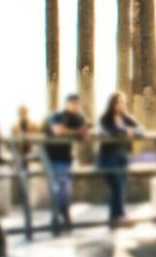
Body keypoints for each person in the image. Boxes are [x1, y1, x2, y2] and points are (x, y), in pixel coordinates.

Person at [44, 94, 90, 235]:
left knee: (64, 190)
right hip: (51, 157)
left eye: (76, 103)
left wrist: (81, 133)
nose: (74, 106)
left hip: (66, 158)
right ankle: (60, 220)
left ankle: (60, 219)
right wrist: (76, 132)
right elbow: (57, 131)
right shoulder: (58, 116)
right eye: (72, 103)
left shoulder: (79, 118)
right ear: (67, 104)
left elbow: (85, 136)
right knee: (58, 189)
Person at [98, 92, 143, 228]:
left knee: (120, 188)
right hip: (107, 158)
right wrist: (125, 131)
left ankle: (114, 219)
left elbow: (141, 131)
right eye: (117, 102)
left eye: (122, 102)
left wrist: (132, 131)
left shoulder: (127, 118)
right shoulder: (105, 119)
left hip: (123, 157)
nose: (120, 105)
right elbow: (108, 132)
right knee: (116, 186)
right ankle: (121, 216)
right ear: (112, 103)